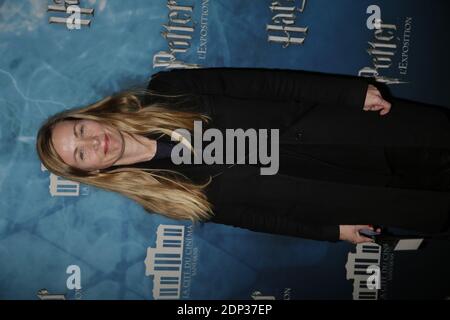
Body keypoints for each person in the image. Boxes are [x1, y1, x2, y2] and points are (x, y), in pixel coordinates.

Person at [36, 67, 450, 245]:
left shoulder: (167, 89)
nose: (92, 143)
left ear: (90, 117)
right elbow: (254, 219)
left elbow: (268, 84)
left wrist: (349, 93)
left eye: (80, 131)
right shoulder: (163, 195)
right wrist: (330, 231)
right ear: (90, 171)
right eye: (80, 154)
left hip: (350, 130)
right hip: (343, 194)